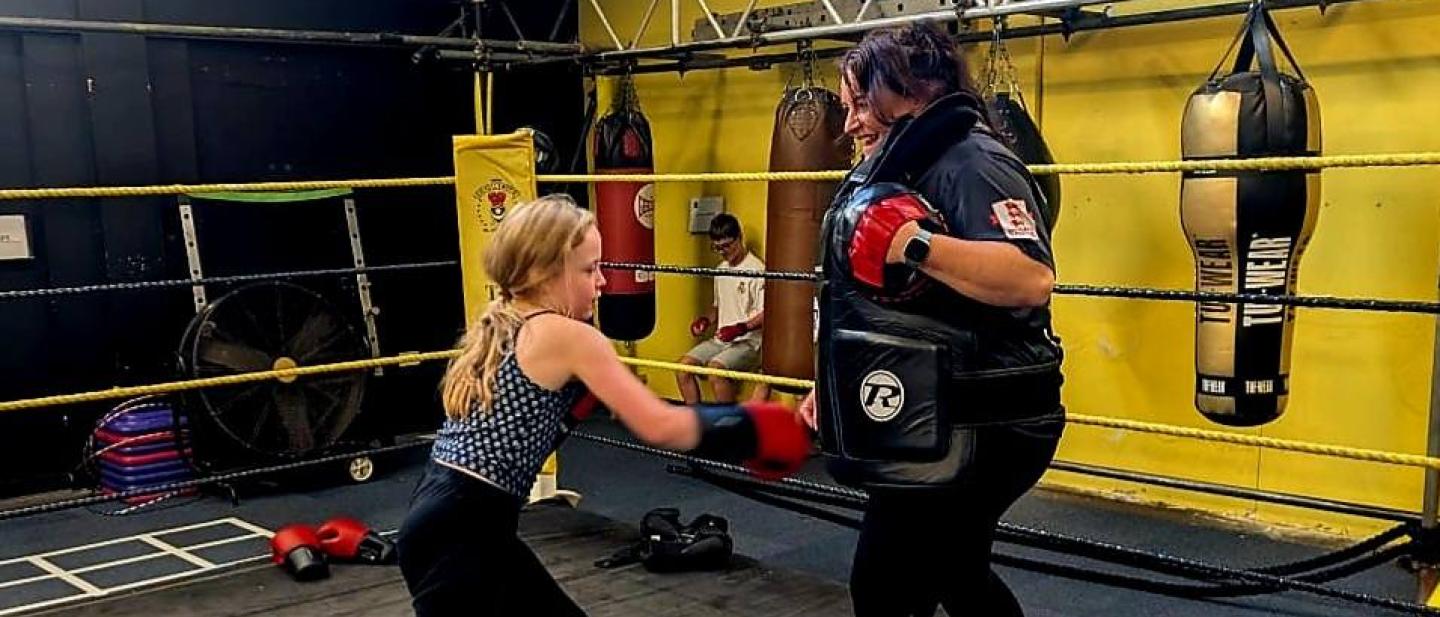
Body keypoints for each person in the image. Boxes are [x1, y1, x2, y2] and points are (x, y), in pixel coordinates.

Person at [397, 195, 810, 617]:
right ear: (545, 272)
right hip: (463, 533)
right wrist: (754, 429)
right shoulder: (565, 335)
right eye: (589, 269)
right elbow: (660, 424)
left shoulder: (506, 322)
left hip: (450, 520)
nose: (604, 282)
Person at [799, 22, 1066, 617]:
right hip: (933, 411)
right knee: (955, 571)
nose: (849, 124)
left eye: (862, 104)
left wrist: (916, 245)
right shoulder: (895, 164)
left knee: (887, 584)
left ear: (914, 88)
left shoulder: (973, 160)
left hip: (984, 421)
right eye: (847, 107)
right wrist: (832, 384)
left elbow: (1030, 278)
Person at [677, 213, 768, 404]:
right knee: (683, 369)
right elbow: (717, 307)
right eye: (717, 248)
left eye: (727, 246)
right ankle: (696, 422)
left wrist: (740, 328)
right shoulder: (720, 270)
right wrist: (705, 321)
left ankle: (726, 427)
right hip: (722, 339)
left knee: (715, 371)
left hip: (749, 342)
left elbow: (766, 313)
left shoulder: (757, 270)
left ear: (739, 238)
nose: (723, 252)